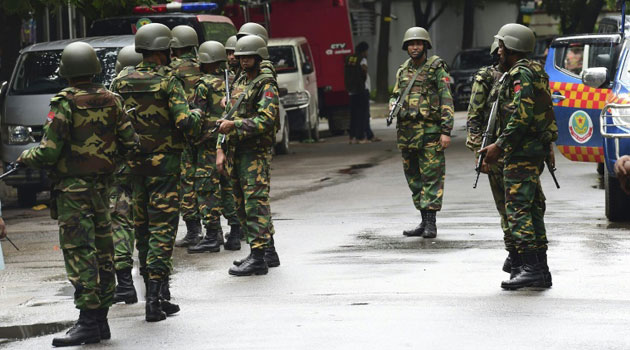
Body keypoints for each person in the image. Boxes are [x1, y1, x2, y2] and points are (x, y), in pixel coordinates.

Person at [17, 41, 139, 346]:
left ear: (68, 72)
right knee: (103, 251)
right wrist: (109, 165)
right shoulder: (113, 100)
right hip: (103, 190)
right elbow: (132, 143)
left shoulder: (65, 103)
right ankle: (101, 322)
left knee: (79, 252)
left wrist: (23, 158)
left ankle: (87, 321)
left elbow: (48, 152)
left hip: (73, 193)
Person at [110, 22, 206, 322]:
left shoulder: (121, 80)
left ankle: (153, 293)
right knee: (162, 230)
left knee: (141, 228)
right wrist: (199, 112)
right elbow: (184, 123)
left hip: (133, 166)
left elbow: (115, 122)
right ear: (164, 50)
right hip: (164, 168)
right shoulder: (169, 81)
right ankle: (156, 298)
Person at [480, 23, 558, 290]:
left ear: (512, 48)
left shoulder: (520, 74)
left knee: (518, 209)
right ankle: (540, 269)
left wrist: (499, 146)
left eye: (501, 45)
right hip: (531, 149)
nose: (498, 50)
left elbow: (521, 117)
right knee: (533, 207)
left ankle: (530, 268)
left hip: (521, 151)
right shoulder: (534, 70)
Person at [216, 35, 280, 276]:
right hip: (238, 151)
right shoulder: (241, 79)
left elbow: (266, 119)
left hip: (254, 152)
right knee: (242, 203)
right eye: (240, 57)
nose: (243, 61)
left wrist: (236, 125)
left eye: (248, 57)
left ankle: (259, 256)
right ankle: (264, 251)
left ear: (258, 57)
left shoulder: (265, 84)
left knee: (255, 203)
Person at [390, 27, 454, 239]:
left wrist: (446, 131)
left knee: (431, 178)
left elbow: (446, 99)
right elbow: (396, 94)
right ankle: (423, 219)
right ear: (406, 47)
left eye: (418, 43)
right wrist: (392, 105)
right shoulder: (402, 70)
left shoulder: (437, 68)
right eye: (411, 44)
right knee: (414, 179)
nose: (414, 47)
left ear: (425, 45)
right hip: (407, 133)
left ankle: (431, 224)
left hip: (430, 132)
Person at [466, 40, 517, 276]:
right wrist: (480, 153)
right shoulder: (486, 78)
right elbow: (474, 118)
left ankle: (522, 253)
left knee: (525, 205)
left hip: (519, 150)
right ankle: (513, 252)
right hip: (494, 152)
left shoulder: (522, 76)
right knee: (506, 206)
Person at [187, 41, 241, 252]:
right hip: (229, 142)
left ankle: (211, 235)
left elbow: (197, 117)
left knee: (207, 188)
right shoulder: (234, 81)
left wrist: (191, 138)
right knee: (228, 188)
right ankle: (235, 233)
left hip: (208, 144)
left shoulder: (204, 85)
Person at [109, 45, 143, 305]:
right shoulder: (164, 82)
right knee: (149, 224)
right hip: (153, 166)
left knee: (120, 221)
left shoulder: (114, 91)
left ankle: (124, 283)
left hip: (121, 169)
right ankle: (157, 289)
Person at [170, 25, 207, 249]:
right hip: (206, 130)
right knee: (210, 180)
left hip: (183, 130)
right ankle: (221, 228)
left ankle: (194, 230)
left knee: (187, 181)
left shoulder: (171, 70)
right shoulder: (205, 65)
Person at [345, 42, 370, 144]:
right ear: (364, 51)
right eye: (367, 51)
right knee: (362, 115)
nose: (367, 53)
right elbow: (364, 71)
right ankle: (360, 138)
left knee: (353, 115)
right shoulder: (362, 59)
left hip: (351, 90)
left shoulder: (350, 59)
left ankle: (351, 137)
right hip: (361, 90)